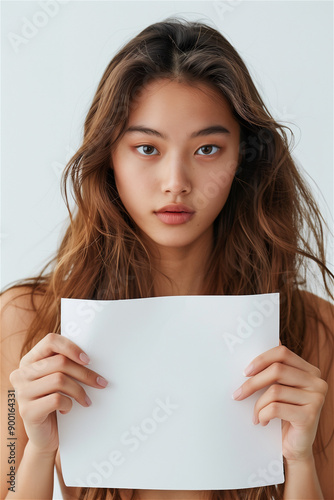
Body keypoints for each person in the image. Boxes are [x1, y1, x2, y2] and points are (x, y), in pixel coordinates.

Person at [1, 17, 333, 500]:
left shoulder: (311, 327)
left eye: (206, 148)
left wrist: (300, 459)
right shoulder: (26, 320)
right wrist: (34, 450)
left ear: (243, 157)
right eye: (146, 147)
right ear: (108, 158)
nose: (176, 180)